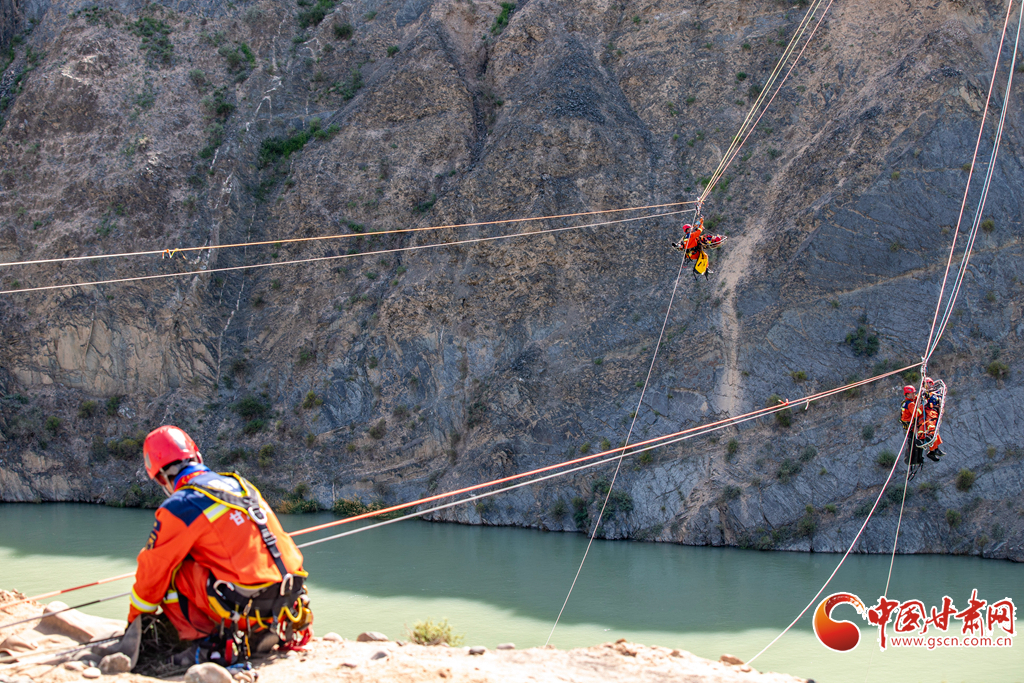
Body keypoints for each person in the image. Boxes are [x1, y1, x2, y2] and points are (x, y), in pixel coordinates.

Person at [128, 426, 312, 665]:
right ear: (198, 457)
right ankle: (260, 632)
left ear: (161, 478)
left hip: (246, 606)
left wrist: (134, 624)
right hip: (289, 600)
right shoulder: (241, 484)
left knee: (172, 570)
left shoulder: (182, 504)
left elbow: (152, 573)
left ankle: (208, 645)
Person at [918, 377, 945, 461]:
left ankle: (934, 450)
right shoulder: (925, 393)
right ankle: (931, 446)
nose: (930, 385)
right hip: (930, 411)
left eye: (931, 383)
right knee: (931, 427)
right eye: (928, 383)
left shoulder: (935, 393)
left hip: (935, 412)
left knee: (935, 432)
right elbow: (923, 398)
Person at [900, 385, 925, 470]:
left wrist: (920, 393)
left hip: (908, 426)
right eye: (912, 393)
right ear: (908, 394)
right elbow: (916, 414)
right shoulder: (910, 404)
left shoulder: (905, 402)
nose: (914, 395)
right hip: (911, 426)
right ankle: (914, 459)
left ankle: (914, 460)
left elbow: (915, 399)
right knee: (914, 443)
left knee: (912, 442)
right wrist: (922, 406)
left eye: (914, 393)